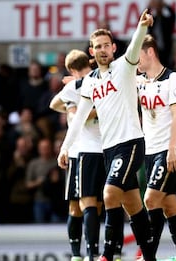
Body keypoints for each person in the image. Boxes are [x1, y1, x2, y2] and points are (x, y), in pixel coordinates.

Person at [57, 9, 155, 261]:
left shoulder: (124, 66)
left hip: (130, 142)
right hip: (108, 149)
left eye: (106, 45)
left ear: (113, 48)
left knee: (110, 192)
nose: (102, 50)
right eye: (97, 46)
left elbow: (134, 47)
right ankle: (150, 255)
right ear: (91, 52)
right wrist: (65, 147)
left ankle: (108, 254)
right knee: (132, 204)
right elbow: (79, 118)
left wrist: (142, 27)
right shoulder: (89, 82)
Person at [50, 49, 110, 261]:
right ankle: (92, 254)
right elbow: (58, 104)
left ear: (71, 70)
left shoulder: (76, 86)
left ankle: (85, 254)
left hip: (81, 152)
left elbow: (55, 105)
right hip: (102, 150)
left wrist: (72, 105)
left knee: (83, 205)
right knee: (94, 204)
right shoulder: (101, 80)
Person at [136, 34, 176, 260]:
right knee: (169, 205)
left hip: (170, 150)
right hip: (149, 151)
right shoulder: (139, 81)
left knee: (150, 200)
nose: (134, 61)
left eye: (137, 55)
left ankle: (148, 256)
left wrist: (171, 150)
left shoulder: (174, 78)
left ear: (150, 52)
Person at [147, 0, 176, 68]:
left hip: (166, 49)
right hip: (154, 48)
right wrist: (150, 6)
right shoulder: (152, 20)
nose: (158, 8)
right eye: (156, 6)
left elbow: (173, 14)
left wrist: (164, 5)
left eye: (159, 6)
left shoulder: (167, 20)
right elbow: (142, 18)